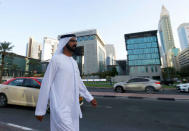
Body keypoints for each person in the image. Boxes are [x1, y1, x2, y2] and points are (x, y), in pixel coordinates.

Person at [35, 34, 97, 131]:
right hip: (60, 108)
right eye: (72, 41)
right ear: (64, 43)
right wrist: (40, 110)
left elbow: (79, 83)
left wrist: (89, 98)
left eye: (76, 41)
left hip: (73, 108)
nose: (75, 43)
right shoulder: (56, 60)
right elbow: (46, 84)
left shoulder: (73, 62)